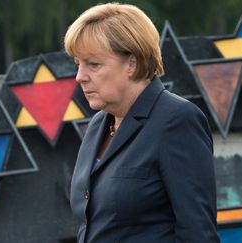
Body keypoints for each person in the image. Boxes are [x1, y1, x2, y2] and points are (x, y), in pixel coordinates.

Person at [64, 3, 219, 243]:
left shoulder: (177, 120)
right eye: (78, 64)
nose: (80, 76)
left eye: (93, 64)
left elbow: (198, 234)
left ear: (132, 64)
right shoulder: (97, 125)